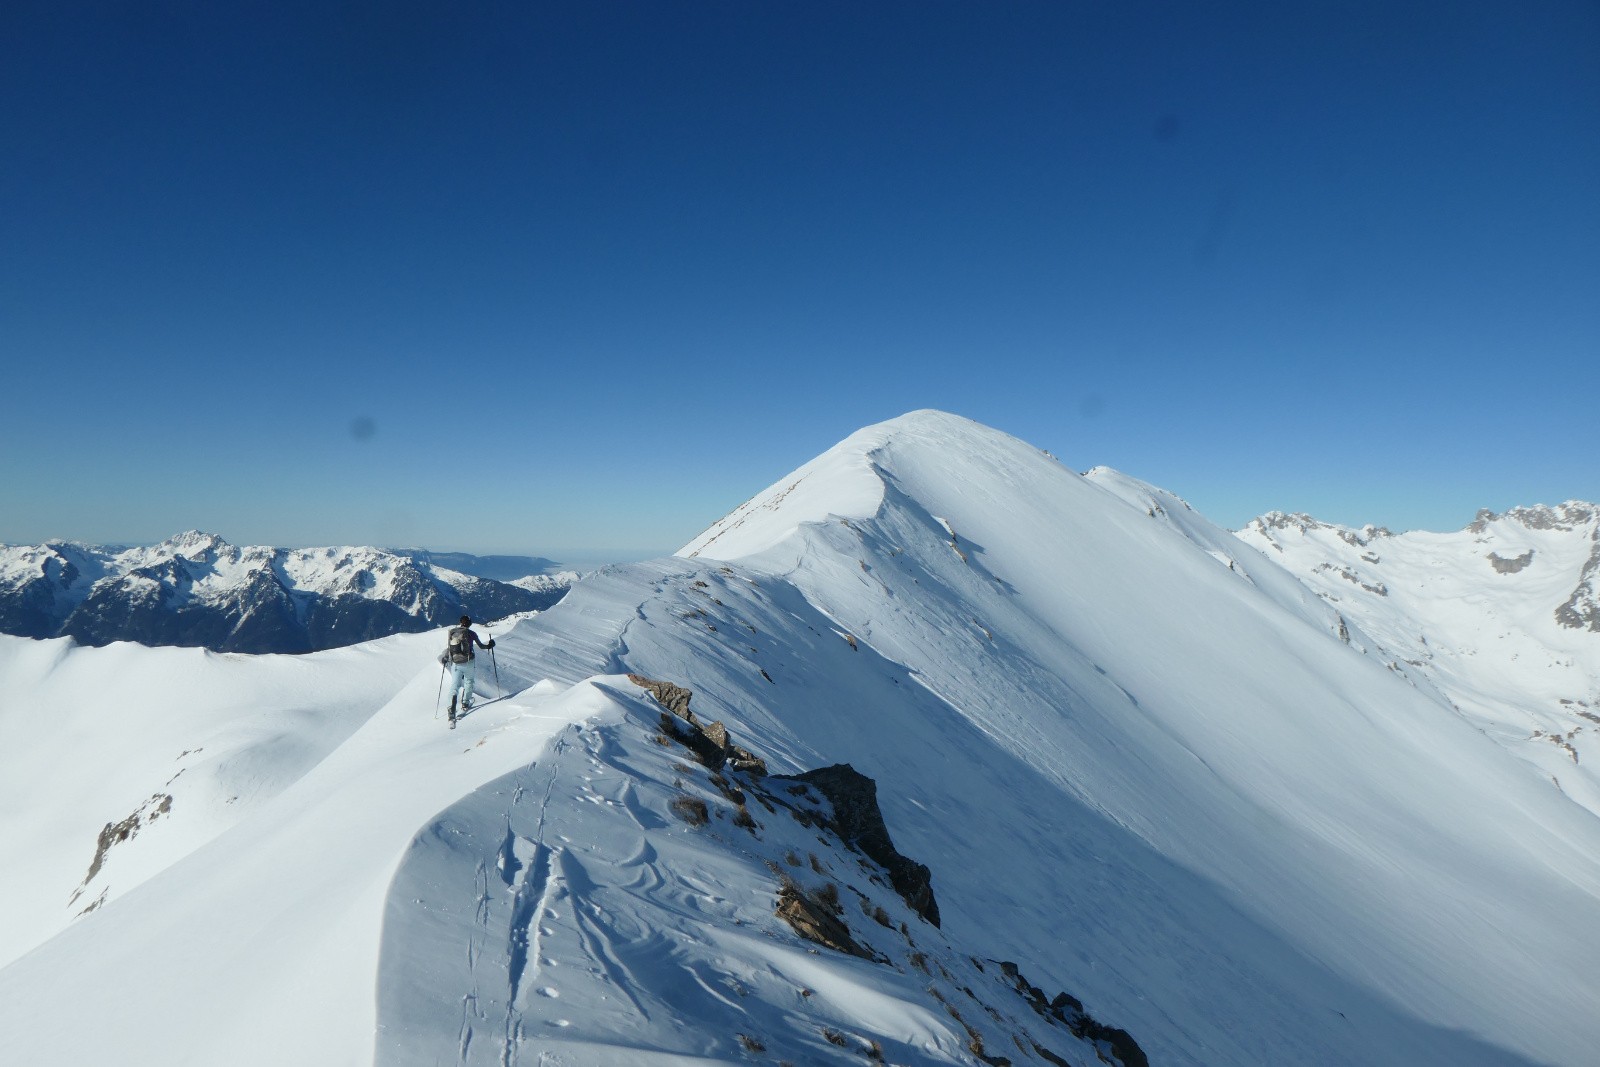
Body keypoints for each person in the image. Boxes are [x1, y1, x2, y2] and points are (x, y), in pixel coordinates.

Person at [440, 615, 494, 726]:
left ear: (460, 622)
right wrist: (490, 645)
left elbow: (450, 648)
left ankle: (451, 709)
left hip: (455, 663)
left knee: (455, 686)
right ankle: (465, 703)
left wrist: (445, 658)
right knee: (469, 681)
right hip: (469, 662)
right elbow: (481, 646)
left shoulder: (452, 633)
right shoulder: (471, 634)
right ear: (469, 623)